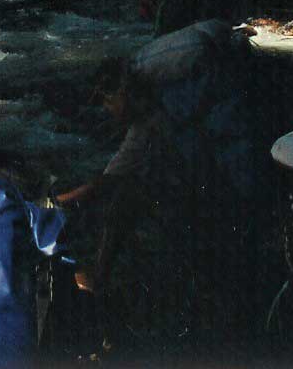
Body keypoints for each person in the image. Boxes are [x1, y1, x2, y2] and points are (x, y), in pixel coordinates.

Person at [53, 19, 259, 293]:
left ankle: (104, 278)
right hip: (218, 163)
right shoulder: (146, 117)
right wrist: (59, 201)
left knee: (136, 195)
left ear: (119, 92)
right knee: (131, 192)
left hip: (234, 155)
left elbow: (206, 44)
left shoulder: (159, 67)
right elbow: (114, 173)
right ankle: (102, 276)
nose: (108, 111)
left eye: (106, 102)